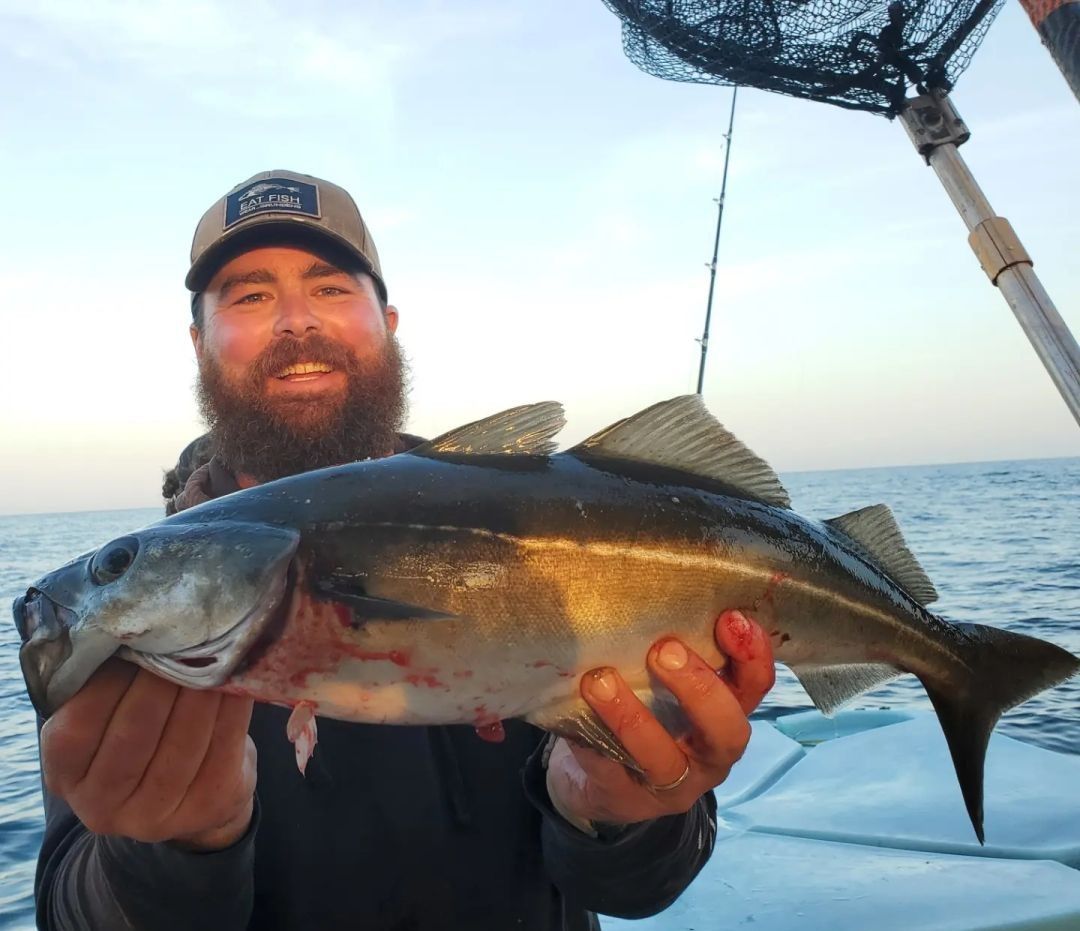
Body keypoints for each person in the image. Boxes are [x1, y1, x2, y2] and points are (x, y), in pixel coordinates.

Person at [33, 170, 776, 930]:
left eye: (330, 288)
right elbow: (68, 910)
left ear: (387, 323)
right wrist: (171, 852)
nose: (296, 321)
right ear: (199, 345)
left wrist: (613, 813)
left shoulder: (534, 517)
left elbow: (639, 889)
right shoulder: (129, 626)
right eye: (249, 296)